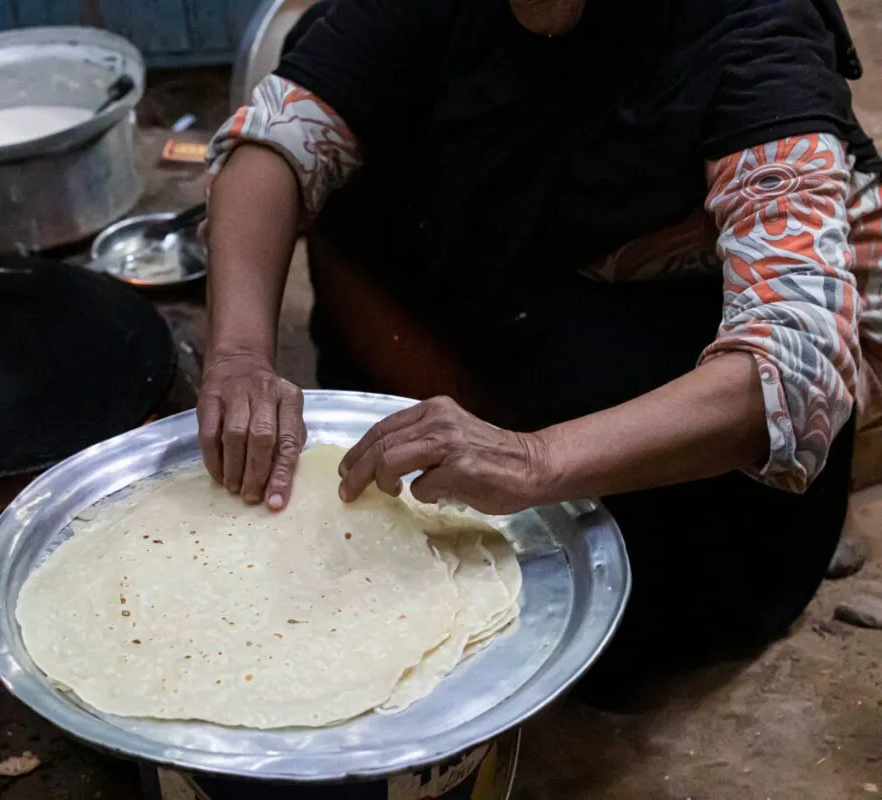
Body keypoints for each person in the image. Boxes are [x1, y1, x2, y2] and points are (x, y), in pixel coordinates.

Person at [198, 0, 882, 700]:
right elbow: (280, 139)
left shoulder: (750, 34)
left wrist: (534, 459)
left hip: (663, 320)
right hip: (523, 263)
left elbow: (793, 364)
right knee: (356, 130)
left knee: (604, 545)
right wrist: (239, 356)